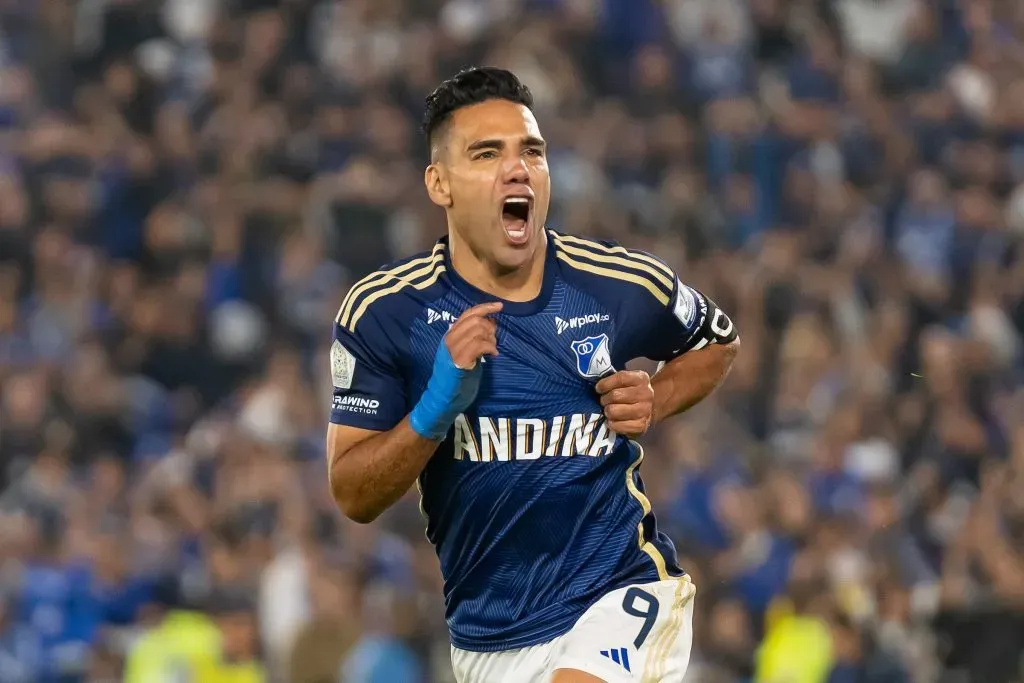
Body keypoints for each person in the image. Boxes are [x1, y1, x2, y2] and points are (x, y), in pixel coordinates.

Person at [326, 67, 740, 683]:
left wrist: (657, 395)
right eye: (487, 153)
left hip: (620, 594)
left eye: (532, 152)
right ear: (439, 183)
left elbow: (718, 342)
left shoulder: (615, 283)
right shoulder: (386, 313)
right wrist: (434, 410)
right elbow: (352, 493)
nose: (516, 169)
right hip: (487, 639)